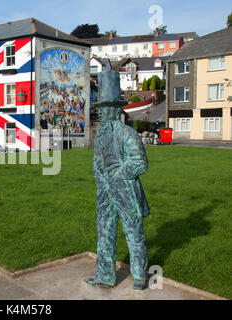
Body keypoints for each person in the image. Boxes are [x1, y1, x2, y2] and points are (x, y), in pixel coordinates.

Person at [85, 71, 150, 290]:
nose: (100, 112)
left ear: (114, 109)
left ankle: (140, 275)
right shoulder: (101, 135)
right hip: (104, 192)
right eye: (99, 108)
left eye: (103, 108)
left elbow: (140, 162)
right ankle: (104, 275)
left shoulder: (128, 134)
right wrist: (100, 177)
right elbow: (96, 162)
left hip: (125, 191)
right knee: (104, 232)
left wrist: (117, 175)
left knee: (133, 232)